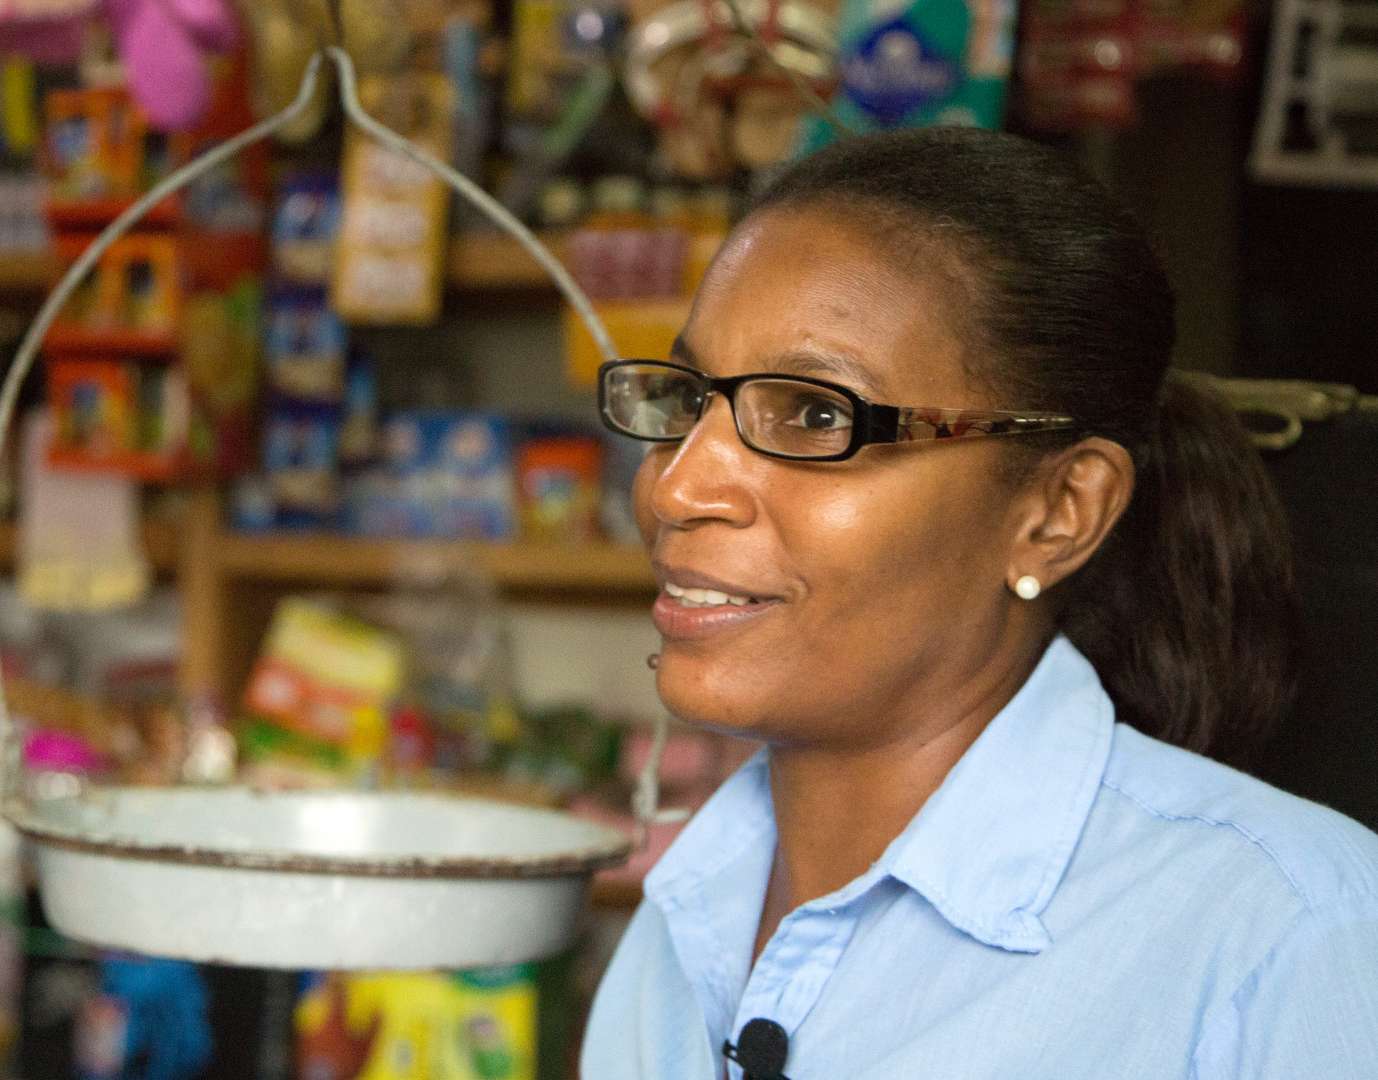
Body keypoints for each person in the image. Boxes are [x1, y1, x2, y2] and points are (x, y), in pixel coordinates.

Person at [581, 127, 1378, 1078]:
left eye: (820, 415)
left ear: (1058, 513)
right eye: (686, 402)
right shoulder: (683, 916)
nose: (675, 487)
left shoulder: (1289, 934)